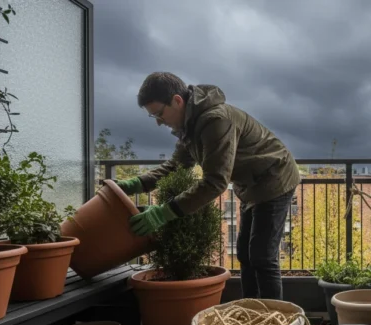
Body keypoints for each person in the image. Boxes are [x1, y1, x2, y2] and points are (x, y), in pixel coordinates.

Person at [116, 71, 300, 300]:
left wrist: (163, 213)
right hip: (251, 186)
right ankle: (252, 310)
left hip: (275, 178)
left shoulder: (215, 120)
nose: (158, 122)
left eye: (160, 113)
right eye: (153, 116)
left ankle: (274, 320)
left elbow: (215, 182)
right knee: (245, 253)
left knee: (262, 256)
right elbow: (176, 166)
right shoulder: (189, 127)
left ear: (177, 100)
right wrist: (133, 185)